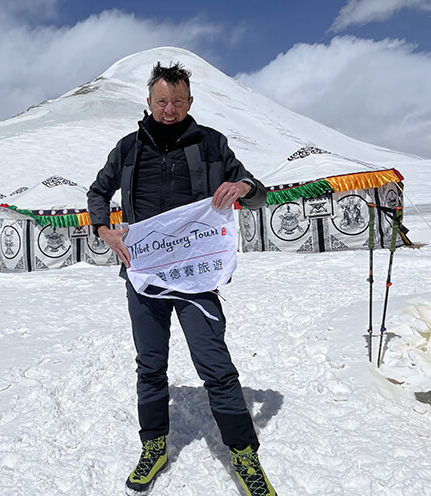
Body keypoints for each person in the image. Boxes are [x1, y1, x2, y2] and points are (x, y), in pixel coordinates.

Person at [87, 62, 277, 496]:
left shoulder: (212, 144)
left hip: (195, 278)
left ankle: (244, 453)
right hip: (144, 276)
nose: (169, 109)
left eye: (177, 101)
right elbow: (98, 192)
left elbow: (258, 189)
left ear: (190, 102)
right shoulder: (128, 148)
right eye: (161, 101)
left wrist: (243, 188)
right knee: (150, 365)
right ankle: (153, 445)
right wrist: (103, 228)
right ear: (149, 102)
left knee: (216, 366)